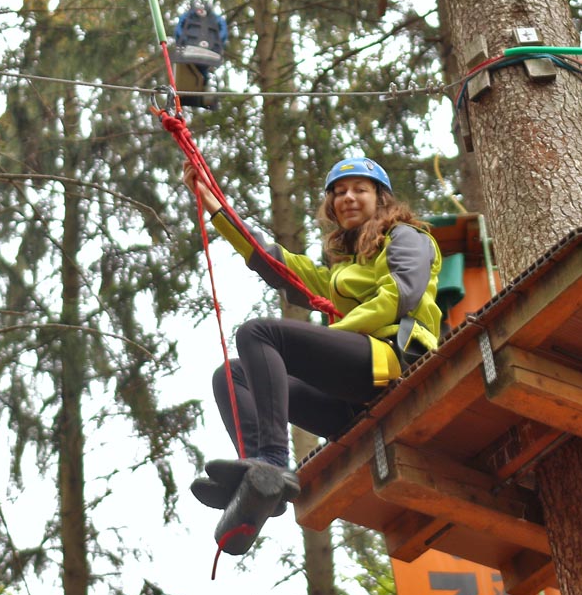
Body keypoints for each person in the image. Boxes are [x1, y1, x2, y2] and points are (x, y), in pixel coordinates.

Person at [183, 156, 442, 521]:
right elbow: (275, 262)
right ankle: (256, 477)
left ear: (381, 198)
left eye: (359, 190)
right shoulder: (342, 270)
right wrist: (212, 204)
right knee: (230, 375)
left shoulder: (406, 237)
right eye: (338, 192)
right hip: (347, 403)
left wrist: (333, 336)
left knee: (259, 332)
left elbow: (402, 293)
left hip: (393, 361)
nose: (347, 197)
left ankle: (273, 461)